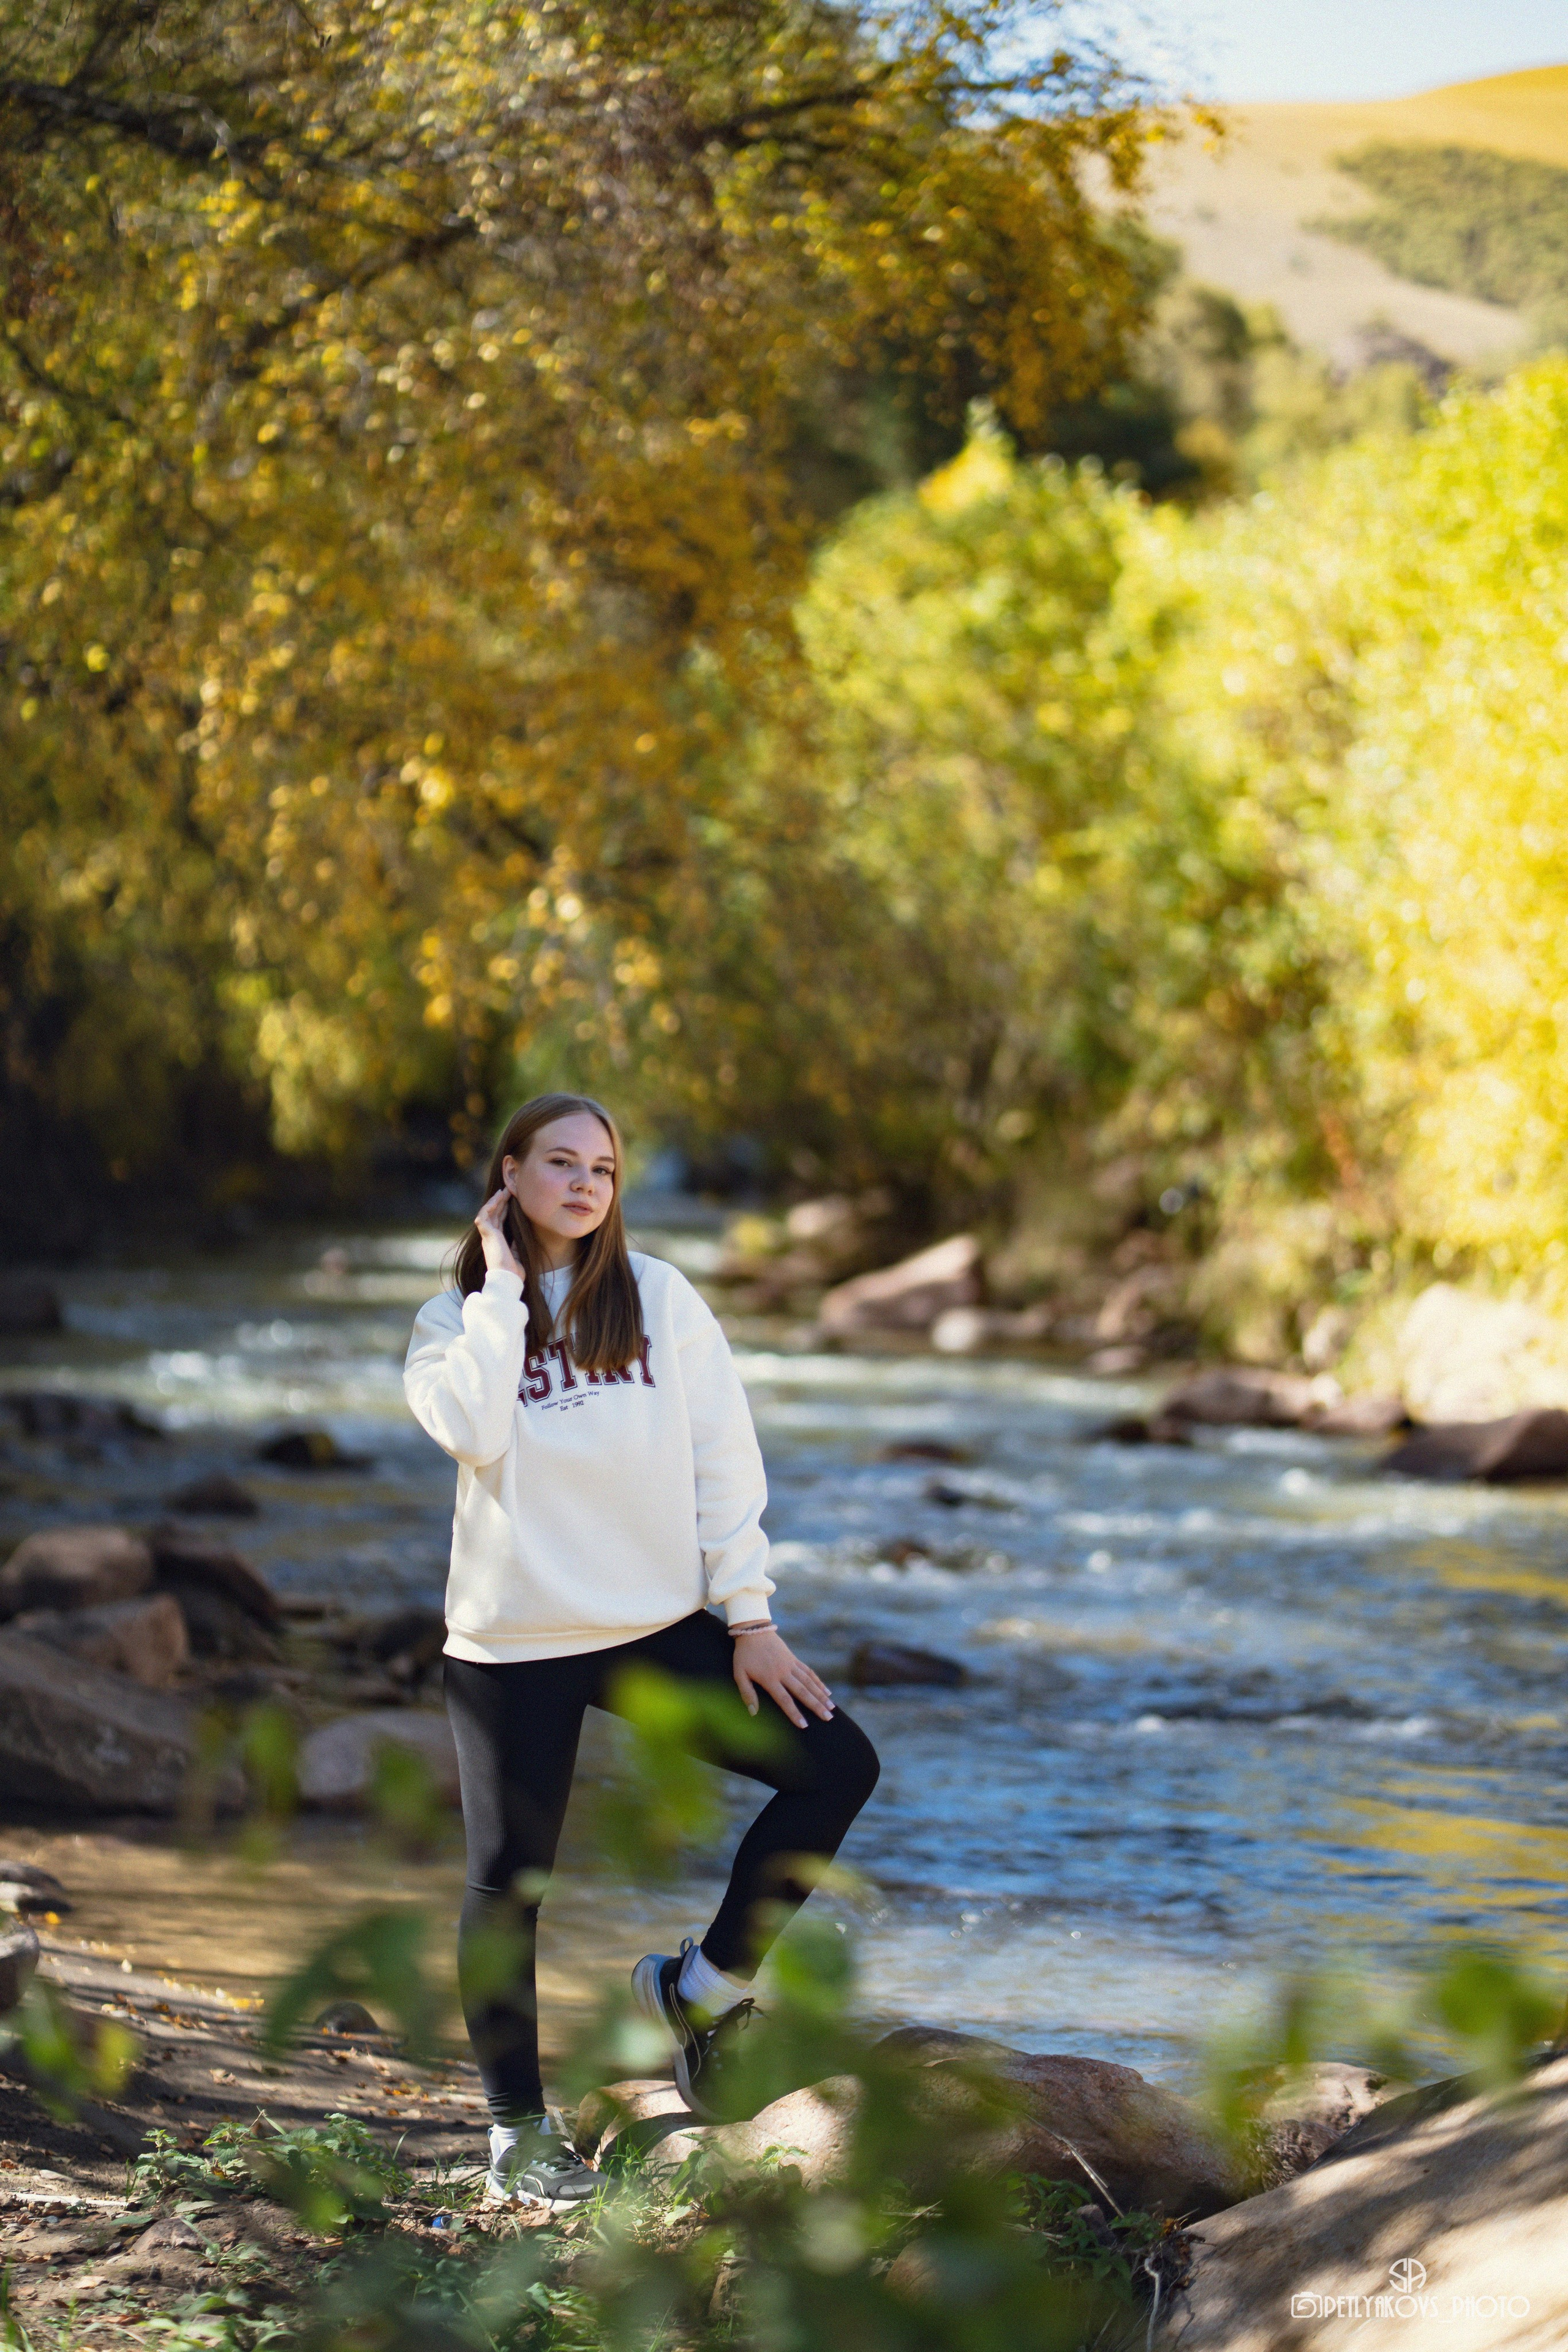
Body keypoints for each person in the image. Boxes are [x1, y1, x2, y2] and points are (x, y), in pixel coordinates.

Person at [404, 1091, 880, 2211]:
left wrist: (750, 1617)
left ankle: (700, 1989)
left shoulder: (660, 1297)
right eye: (560, 1163)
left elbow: (725, 1457)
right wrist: (503, 1290)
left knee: (837, 1765)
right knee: (508, 1887)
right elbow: (472, 1430)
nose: (584, 1185)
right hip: (514, 1642)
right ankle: (516, 2135)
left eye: (604, 1169)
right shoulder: (452, 1322)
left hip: (652, 1627)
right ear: (509, 1174)